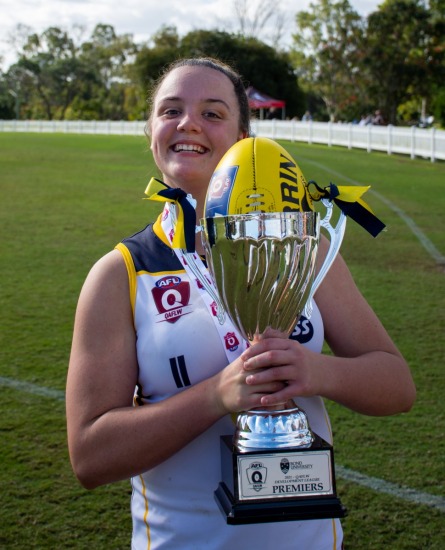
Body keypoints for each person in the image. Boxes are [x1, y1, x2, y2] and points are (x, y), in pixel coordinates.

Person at [66, 57, 416, 549]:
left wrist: (315, 372)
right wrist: (214, 397)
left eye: (212, 113)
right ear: (151, 132)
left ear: (243, 138)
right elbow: (90, 456)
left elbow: (397, 385)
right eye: (171, 111)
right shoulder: (120, 274)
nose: (188, 123)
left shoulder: (303, 247)